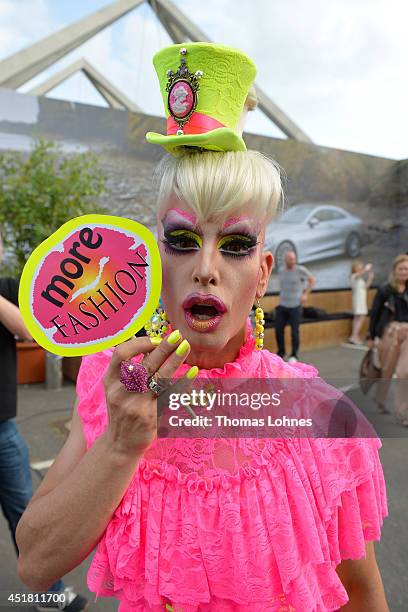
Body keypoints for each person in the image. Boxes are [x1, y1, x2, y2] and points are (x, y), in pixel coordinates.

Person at [16, 43, 389, 611]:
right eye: (183, 241)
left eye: (235, 245)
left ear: (263, 273)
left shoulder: (318, 412)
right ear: (153, 258)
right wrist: (121, 444)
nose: (207, 269)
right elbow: (35, 562)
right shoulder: (113, 384)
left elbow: (361, 592)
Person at [0, 233, 88, 612]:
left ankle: (50, 596)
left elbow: (31, 329)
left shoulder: (6, 289)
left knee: (25, 510)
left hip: (3, 430)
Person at [368, 253, 408, 423]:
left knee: (403, 371)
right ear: (394, 270)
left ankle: (403, 412)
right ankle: (380, 400)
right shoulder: (385, 290)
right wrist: (371, 336)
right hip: (389, 333)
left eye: (407, 269)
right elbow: (375, 314)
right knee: (387, 370)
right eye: (401, 268)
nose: (404, 271)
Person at [274, 250, 316, 362]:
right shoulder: (281, 270)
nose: (293, 261)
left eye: (294, 259)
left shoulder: (300, 270)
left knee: (294, 331)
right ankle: (281, 352)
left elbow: (312, 280)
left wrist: (305, 294)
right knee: (278, 329)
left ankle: (294, 355)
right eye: (290, 259)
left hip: (296, 306)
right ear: (285, 260)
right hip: (283, 304)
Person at [349, 260, 374, 345]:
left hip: (362, 299)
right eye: (359, 267)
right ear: (354, 268)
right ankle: (354, 336)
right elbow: (359, 274)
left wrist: (370, 278)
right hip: (358, 300)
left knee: (358, 318)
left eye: (361, 267)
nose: (360, 269)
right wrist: (366, 269)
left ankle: (354, 335)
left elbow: (366, 287)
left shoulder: (360, 279)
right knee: (361, 317)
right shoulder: (353, 276)